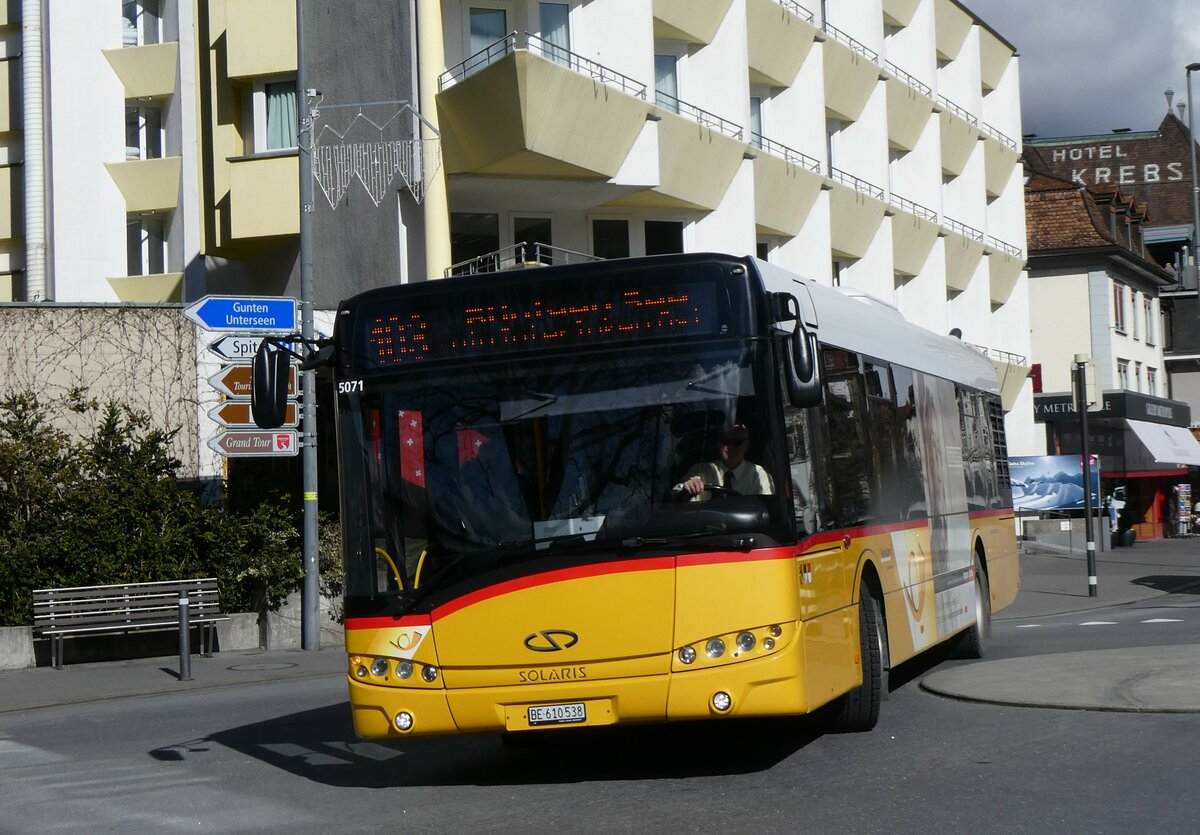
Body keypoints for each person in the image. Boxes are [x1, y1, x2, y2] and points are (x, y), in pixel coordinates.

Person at [675, 423, 773, 499]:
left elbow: (769, 507)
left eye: (737, 442)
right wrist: (687, 486)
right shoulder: (700, 470)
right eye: (726, 441)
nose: (731, 447)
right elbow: (675, 495)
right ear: (719, 444)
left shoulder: (758, 475)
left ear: (747, 445)